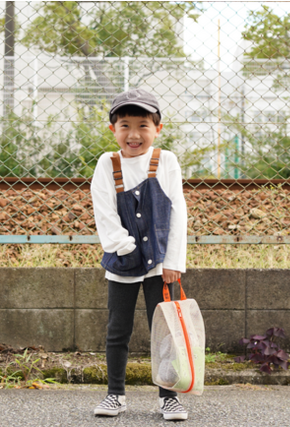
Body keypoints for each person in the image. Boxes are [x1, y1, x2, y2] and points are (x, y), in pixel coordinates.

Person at [90, 88, 188, 421]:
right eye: (125, 126)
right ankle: (115, 394)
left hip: (161, 264)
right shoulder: (107, 163)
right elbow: (103, 210)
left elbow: (178, 213)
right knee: (118, 329)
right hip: (122, 262)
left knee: (166, 329)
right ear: (113, 129)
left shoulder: (166, 161)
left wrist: (173, 261)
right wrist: (122, 244)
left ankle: (169, 397)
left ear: (157, 129)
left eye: (143, 126)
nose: (134, 135)